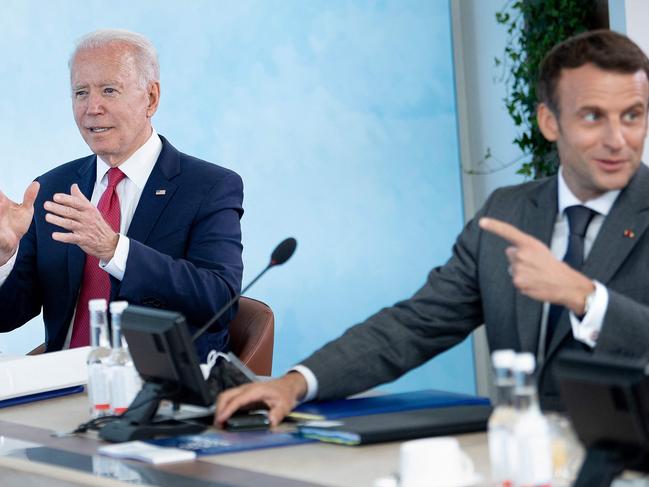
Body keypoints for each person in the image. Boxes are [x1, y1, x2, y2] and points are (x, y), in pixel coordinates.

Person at [217, 29, 649, 425]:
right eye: (593, 117)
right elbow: (416, 325)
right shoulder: (510, 212)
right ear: (549, 121)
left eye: (632, 116)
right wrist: (295, 384)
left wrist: (586, 298)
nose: (617, 138)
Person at [0, 29, 243, 360]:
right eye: (80, 92)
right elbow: (8, 314)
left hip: (160, 389)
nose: (92, 108)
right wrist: (5, 258)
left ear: (151, 98)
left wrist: (114, 249)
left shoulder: (209, 187)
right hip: (59, 386)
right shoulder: (51, 189)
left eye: (109, 90)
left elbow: (219, 300)